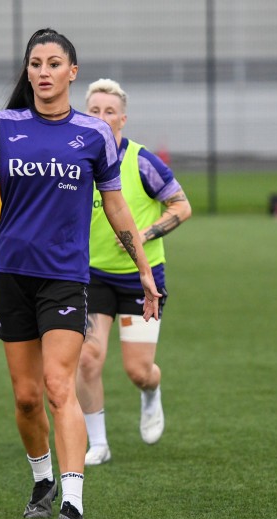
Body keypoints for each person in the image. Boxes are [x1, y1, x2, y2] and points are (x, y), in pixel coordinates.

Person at [0, 29, 161, 519]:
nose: (44, 72)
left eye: (55, 63)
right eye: (36, 63)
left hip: (64, 277)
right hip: (10, 274)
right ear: (28, 71)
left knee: (59, 386)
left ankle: (72, 502)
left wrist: (144, 271)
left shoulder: (93, 133)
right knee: (27, 397)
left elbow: (117, 206)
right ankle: (41, 479)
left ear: (72, 72)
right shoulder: (4, 126)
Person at [77, 79, 192, 466]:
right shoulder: (75, 161)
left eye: (110, 111)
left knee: (138, 371)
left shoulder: (141, 161)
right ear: (83, 114)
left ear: (123, 119)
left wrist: (141, 235)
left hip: (141, 278)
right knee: (87, 358)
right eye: (94, 110)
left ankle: (151, 392)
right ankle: (99, 444)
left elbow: (181, 206)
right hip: (91, 275)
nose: (102, 117)